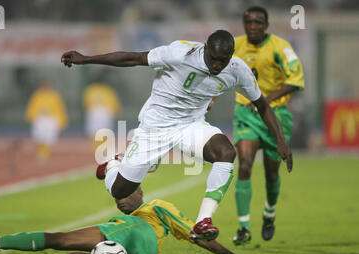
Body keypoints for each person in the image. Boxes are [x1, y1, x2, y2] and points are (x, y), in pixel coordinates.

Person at [61, 30, 292, 242]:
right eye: (212, 57)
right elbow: (133, 58)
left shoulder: (237, 70)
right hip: (155, 128)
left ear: (231, 56)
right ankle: (113, 164)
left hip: (190, 126)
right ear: (205, 48)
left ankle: (203, 221)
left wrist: (281, 141)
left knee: (226, 152)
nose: (216, 64)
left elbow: (262, 105)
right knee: (121, 192)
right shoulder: (179, 54)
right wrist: (86, 59)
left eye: (222, 60)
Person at [0, 185, 262, 254]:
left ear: (140, 192)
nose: (120, 199)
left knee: (61, 239)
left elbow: (198, 237)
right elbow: (198, 239)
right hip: (130, 243)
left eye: (125, 195)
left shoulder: (156, 207)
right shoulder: (121, 216)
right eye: (117, 197)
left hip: (139, 233)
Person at [232, 6, 304, 245]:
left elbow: (296, 81)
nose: (253, 27)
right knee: (244, 165)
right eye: (249, 22)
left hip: (276, 115)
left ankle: (269, 214)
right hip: (245, 113)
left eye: (258, 22)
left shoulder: (281, 47)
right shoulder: (235, 45)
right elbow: (217, 73)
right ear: (244, 23)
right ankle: (243, 227)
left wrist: (266, 100)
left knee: (272, 172)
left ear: (267, 24)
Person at [25, 81, 69, 164]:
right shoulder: (37, 96)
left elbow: (59, 108)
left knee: (49, 139)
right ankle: (41, 153)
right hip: (40, 119)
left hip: (50, 120)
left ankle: (45, 154)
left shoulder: (54, 97)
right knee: (39, 138)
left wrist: (62, 119)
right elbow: (32, 107)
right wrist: (31, 116)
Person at [82, 72, 121, 150]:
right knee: (105, 133)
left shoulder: (90, 90)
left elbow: (86, 103)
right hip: (105, 113)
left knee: (94, 133)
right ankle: (104, 149)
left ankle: (97, 149)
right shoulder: (108, 90)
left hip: (94, 113)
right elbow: (114, 105)